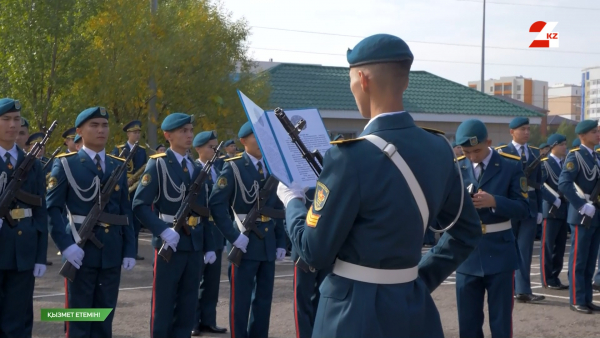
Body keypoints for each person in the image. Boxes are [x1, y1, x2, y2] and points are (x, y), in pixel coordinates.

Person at [276, 33, 482, 338]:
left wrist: (292, 200)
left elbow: (312, 252)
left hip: (351, 315)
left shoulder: (349, 157)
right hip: (415, 309)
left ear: (362, 79)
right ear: (406, 81)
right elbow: (466, 231)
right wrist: (419, 279)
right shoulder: (439, 148)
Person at [47, 106, 136, 337]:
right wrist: (66, 246)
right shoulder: (67, 164)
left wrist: (129, 249)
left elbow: (125, 210)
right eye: (94, 125)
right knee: (79, 319)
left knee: (103, 319)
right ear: (80, 131)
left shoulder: (117, 165)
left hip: (111, 252)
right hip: (80, 250)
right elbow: (52, 209)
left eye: (104, 125)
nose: (101, 130)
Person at [132, 113, 216, 338]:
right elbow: (139, 205)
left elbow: (203, 211)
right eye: (183, 131)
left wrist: (208, 245)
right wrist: (162, 230)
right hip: (169, 242)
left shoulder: (196, 168)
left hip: (194, 242)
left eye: (190, 130)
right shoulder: (158, 164)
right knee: (164, 302)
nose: (189, 135)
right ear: (168, 135)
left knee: (188, 304)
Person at [209, 121, 287, 338]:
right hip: (243, 240)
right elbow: (216, 204)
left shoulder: (272, 168)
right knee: (240, 300)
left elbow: (277, 207)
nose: (262, 142)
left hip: (267, 241)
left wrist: (281, 241)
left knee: (264, 299)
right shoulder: (233, 167)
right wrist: (233, 237)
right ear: (243, 141)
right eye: (256, 137)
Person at [454, 119, 528, 338]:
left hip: (500, 252)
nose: (472, 156)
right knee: (467, 323)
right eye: (466, 152)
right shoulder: (457, 167)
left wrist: (495, 201)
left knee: (501, 321)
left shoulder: (510, 165)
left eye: (477, 150)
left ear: (489, 142)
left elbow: (524, 208)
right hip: (467, 253)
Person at [0, 98, 48, 338]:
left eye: (16, 120)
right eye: (6, 119)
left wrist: (40, 256)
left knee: (18, 322)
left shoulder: (33, 164)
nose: (12, 125)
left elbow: (40, 211)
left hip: (23, 251)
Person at [496, 117, 545, 303]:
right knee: (507, 248)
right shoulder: (502, 153)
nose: (526, 132)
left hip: (530, 207)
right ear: (511, 132)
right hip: (509, 205)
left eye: (528, 129)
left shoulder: (534, 153)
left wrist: (539, 209)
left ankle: (523, 290)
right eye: (522, 129)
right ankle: (507, 287)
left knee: (524, 250)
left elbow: (538, 184)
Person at [558, 119, 600, 314]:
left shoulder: (596, 157)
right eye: (594, 132)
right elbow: (564, 184)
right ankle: (576, 299)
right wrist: (582, 205)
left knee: (590, 260)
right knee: (579, 259)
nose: (598, 134)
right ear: (582, 136)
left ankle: (587, 299)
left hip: (596, 214)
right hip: (582, 214)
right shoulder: (575, 157)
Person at [190, 131, 227, 336]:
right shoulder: (193, 169)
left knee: (212, 282)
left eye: (216, 147)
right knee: (195, 279)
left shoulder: (220, 169)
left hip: (217, 232)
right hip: (199, 231)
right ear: (199, 149)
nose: (215, 151)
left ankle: (208, 320)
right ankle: (193, 321)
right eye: (211, 147)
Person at [290, 186, 334, 338]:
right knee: (302, 303)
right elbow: (289, 213)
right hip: (304, 248)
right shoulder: (301, 180)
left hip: (328, 246)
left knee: (323, 301)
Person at [112, 120, 148, 261]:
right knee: (122, 219)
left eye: (139, 132)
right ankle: (121, 250)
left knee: (136, 221)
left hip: (136, 189)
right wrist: (123, 180)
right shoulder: (119, 149)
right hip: (122, 186)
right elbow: (114, 168)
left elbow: (142, 169)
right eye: (134, 132)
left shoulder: (142, 150)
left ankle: (133, 251)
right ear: (128, 134)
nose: (137, 135)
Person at [539, 133, 569, 290]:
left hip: (565, 209)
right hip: (551, 209)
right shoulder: (545, 163)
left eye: (565, 144)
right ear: (553, 147)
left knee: (561, 245)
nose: (565, 147)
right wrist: (554, 199)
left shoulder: (566, 163)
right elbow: (541, 185)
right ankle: (547, 278)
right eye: (562, 144)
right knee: (548, 245)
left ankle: (555, 276)